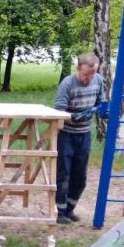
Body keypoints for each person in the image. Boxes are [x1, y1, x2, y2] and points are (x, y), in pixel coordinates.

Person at [53, 53, 109, 225]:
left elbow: (100, 102)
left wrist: (104, 111)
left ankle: (70, 209)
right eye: (86, 75)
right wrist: (73, 116)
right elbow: (58, 112)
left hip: (84, 135)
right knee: (64, 173)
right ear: (78, 69)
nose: (89, 78)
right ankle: (60, 211)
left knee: (80, 175)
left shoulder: (98, 80)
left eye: (92, 74)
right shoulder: (67, 84)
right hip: (66, 134)